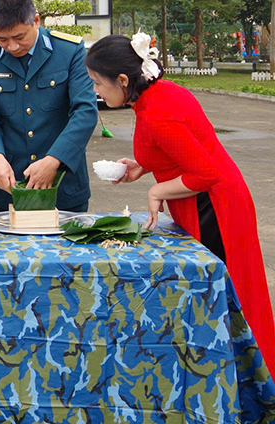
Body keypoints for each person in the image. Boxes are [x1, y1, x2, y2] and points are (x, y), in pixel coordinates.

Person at [86, 32, 275, 372]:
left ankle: (249, 381)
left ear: (124, 80)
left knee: (235, 299)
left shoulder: (159, 111)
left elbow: (206, 172)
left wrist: (156, 191)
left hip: (215, 207)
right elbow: (177, 147)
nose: (96, 91)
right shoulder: (154, 96)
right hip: (208, 201)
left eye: (98, 83)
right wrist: (142, 167)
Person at [0, 0, 97, 212]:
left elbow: (85, 111)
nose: (12, 46)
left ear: (36, 20)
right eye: (2, 39)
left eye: (19, 37)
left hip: (63, 186)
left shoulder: (68, 52)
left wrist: (54, 159)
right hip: (9, 190)